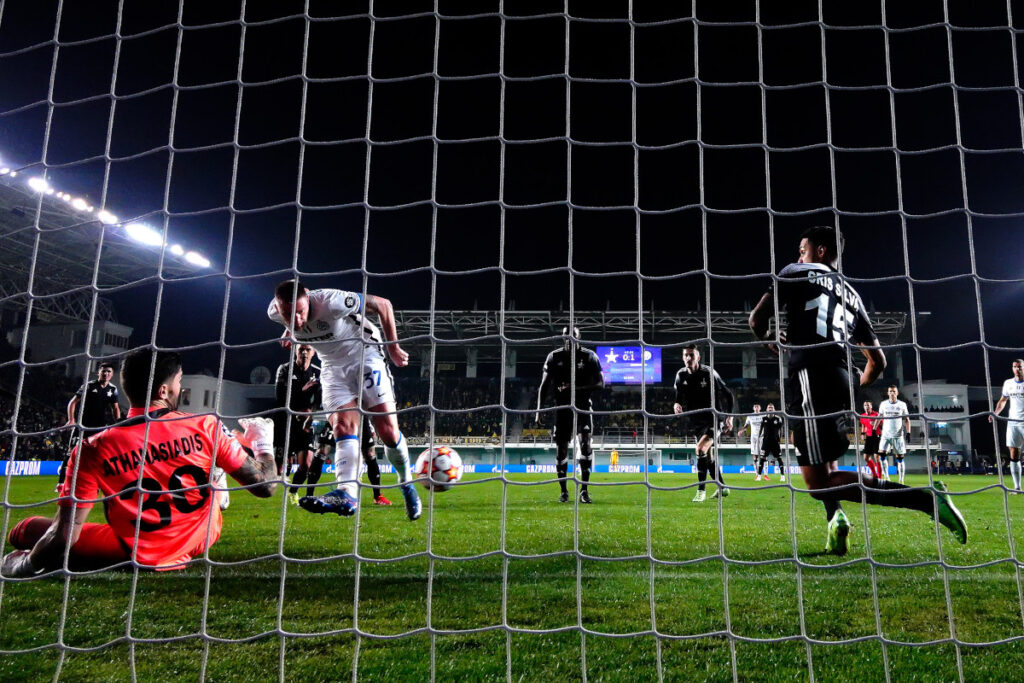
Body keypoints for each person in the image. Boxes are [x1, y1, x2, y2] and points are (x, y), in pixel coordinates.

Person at [749, 226, 966, 555]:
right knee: (826, 464)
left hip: (810, 373)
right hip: (841, 376)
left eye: (802, 249)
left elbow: (756, 318)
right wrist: (854, 386)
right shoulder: (851, 293)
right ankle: (836, 522)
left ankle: (926, 500)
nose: (798, 255)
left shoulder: (795, 271)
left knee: (816, 482)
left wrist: (768, 338)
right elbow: (877, 361)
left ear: (820, 251)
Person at [1, 348, 278, 577]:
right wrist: (264, 444)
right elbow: (266, 487)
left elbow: (63, 537)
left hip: (136, 549)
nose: (180, 388)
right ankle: (215, 481)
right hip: (201, 534)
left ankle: (213, 480)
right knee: (212, 456)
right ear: (163, 390)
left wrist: (24, 565)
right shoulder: (205, 425)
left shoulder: (92, 447)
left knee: (24, 530)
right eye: (179, 381)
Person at [269, 280, 420, 520]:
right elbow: (293, 322)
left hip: (365, 354)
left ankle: (406, 483)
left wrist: (393, 347)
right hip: (331, 367)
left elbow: (383, 304)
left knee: (388, 433)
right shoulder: (274, 312)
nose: (296, 319)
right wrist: (289, 329)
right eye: (289, 315)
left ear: (307, 297)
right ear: (279, 308)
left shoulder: (331, 301)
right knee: (342, 426)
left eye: (300, 312)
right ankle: (347, 493)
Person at [534, 327, 604, 504]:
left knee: (586, 443)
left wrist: (575, 389)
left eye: (573, 336)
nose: (569, 339)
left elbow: (600, 383)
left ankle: (584, 491)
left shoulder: (589, 356)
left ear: (579, 337)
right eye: (566, 335)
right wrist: (539, 410)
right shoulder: (554, 357)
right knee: (561, 449)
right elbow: (544, 385)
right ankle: (564, 491)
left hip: (582, 408)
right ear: (562, 336)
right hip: (562, 409)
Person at [673, 345, 735, 502]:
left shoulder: (708, 373)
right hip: (697, 422)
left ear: (698, 357)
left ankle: (701, 491)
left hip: (715, 419)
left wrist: (730, 417)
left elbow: (728, 394)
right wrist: (676, 404)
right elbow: (679, 396)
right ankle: (723, 488)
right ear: (683, 357)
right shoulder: (680, 375)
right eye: (686, 355)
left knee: (700, 449)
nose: (688, 358)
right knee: (708, 458)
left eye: (691, 355)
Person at [57, 362, 122, 491]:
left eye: (109, 371)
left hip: (99, 428)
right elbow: (73, 402)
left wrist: (118, 422)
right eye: (103, 371)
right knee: (71, 452)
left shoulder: (113, 389)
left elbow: (115, 408)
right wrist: (71, 419)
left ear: (112, 374)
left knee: (99, 456)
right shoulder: (89, 386)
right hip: (83, 425)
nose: (106, 374)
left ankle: (96, 484)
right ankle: (61, 483)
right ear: (98, 372)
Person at [275, 344, 322, 505]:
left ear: (313, 352)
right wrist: (302, 390)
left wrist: (311, 415)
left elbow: (319, 400)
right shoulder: (284, 370)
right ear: (295, 350)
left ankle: (293, 491)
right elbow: (280, 398)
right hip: (286, 422)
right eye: (301, 349)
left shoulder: (317, 372)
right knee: (278, 467)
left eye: (308, 349)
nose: (304, 352)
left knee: (306, 464)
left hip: (305, 424)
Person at [990, 359, 1024, 492]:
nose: (1017, 369)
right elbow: (1003, 400)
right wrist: (995, 413)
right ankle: (1017, 487)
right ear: (1012, 368)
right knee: (1014, 454)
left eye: (1020, 367)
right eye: (1015, 367)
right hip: (1013, 423)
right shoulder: (1008, 383)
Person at [875, 386, 911, 485]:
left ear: (897, 393)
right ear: (888, 393)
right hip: (885, 435)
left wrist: (908, 432)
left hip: (898, 435)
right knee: (881, 455)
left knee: (900, 458)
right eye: (890, 391)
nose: (892, 393)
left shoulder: (902, 405)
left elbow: (907, 419)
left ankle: (901, 480)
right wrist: (874, 429)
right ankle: (886, 477)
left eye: (894, 391)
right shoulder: (883, 404)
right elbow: (879, 417)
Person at [759, 403, 787, 483]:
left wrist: (780, 439)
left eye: (772, 407)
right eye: (769, 407)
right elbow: (761, 430)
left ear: (774, 409)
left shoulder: (778, 419)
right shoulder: (763, 418)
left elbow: (780, 430)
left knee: (779, 458)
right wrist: (758, 439)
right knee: (762, 458)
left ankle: (782, 476)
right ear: (766, 409)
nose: (770, 408)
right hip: (766, 442)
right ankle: (759, 476)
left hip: (775, 442)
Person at [859, 401, 883, 480]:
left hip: (877, 436)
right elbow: (863, 425)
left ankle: (879, 478)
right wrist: (862, 433)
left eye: (868, 405)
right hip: (869, 437)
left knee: (877, 457)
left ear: (871, 406)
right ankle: (874, 474)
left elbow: (882, 424)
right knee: (866, 457)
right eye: (865, 405)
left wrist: (877, 424)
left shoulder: (876, 414)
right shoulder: (862, 416)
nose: (866, 406)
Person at [744, 403, 766, 481]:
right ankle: (757, 474)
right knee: (755, 456)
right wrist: (742, 430)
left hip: (762, 437)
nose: (756, 408)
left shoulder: (764, 415)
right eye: (755, 407)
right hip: (753, 438)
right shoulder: (750, 416)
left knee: (763, 456)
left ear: (760, 408)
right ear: (753, 408)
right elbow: (746, 425)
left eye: (758, 406)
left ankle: (765, 474)